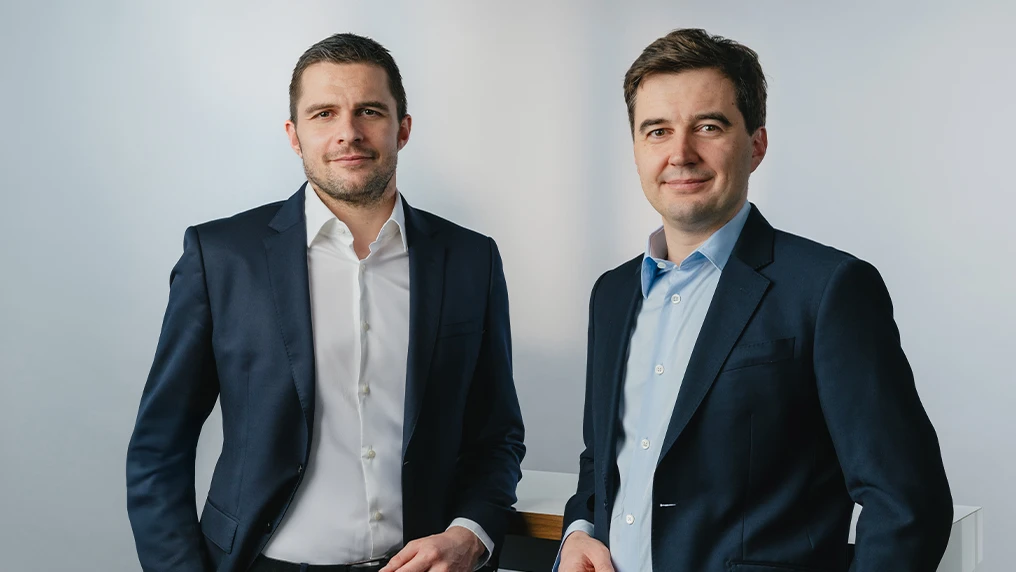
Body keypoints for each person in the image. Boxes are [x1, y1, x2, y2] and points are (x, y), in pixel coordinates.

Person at [126, 32, 525, 572]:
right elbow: (159, 446)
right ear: (294, 135)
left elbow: (495, 434)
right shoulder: (221, 258)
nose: (348, 133)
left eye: (369, 111)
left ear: (402, 129)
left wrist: (470, 533)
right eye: (323, 114)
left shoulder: (471, 260)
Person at [558, 28, 952, 572]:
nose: (680, 153)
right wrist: (580, 530)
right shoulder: (612, 294)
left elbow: (907, 502)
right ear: (636, 149)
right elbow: (602, 461)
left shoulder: (830, 288)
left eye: (709, 126)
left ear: (756, 144)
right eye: (657, 131)